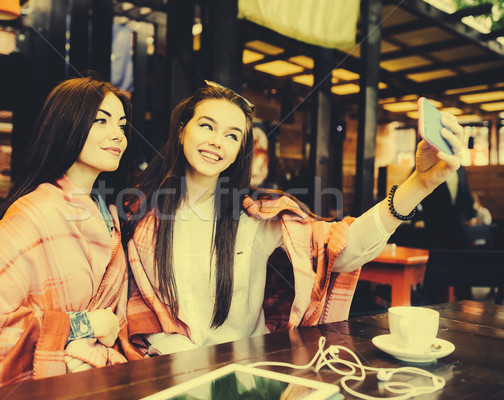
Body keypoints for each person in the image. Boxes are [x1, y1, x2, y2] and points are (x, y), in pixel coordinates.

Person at [120, 81, 464, 358]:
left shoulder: (257, 214)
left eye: (232, 135)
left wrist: (419, 184)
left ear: (241, 149)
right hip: (165, 374)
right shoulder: (140, 217)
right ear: (182, 131)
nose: (216, 142)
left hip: (244, 374)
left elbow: (342, 249)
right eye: (207, 126)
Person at [0, 76, 132, 396]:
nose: (118, 135)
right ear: (67, 126)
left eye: (123, 125)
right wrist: (84, 324)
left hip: (94, 377)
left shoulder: (108, 213)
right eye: (101, 121)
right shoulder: (30, 216)